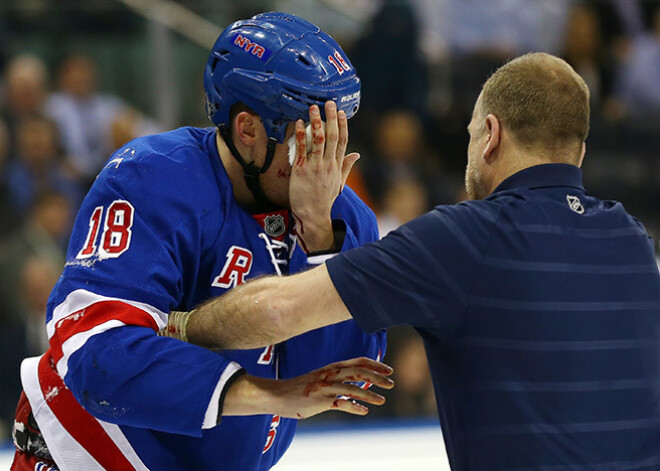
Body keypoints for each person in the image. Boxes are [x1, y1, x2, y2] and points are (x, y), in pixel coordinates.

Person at [172, 52, 660, 470]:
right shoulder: (633, 240)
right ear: (579, 150)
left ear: (489, 134)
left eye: (471, 134)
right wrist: (320, 233)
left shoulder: (467, 237)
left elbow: (279, 312)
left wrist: (176, 326)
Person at [11, 12, 391, 471]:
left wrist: (319, 237)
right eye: (305, 137)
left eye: (335, 132)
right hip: (87, 457)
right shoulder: (151, 177)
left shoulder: (342, 216)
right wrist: (266, 394)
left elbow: (350, 379)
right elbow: (95, 355)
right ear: (248, 129)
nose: (322, 160)